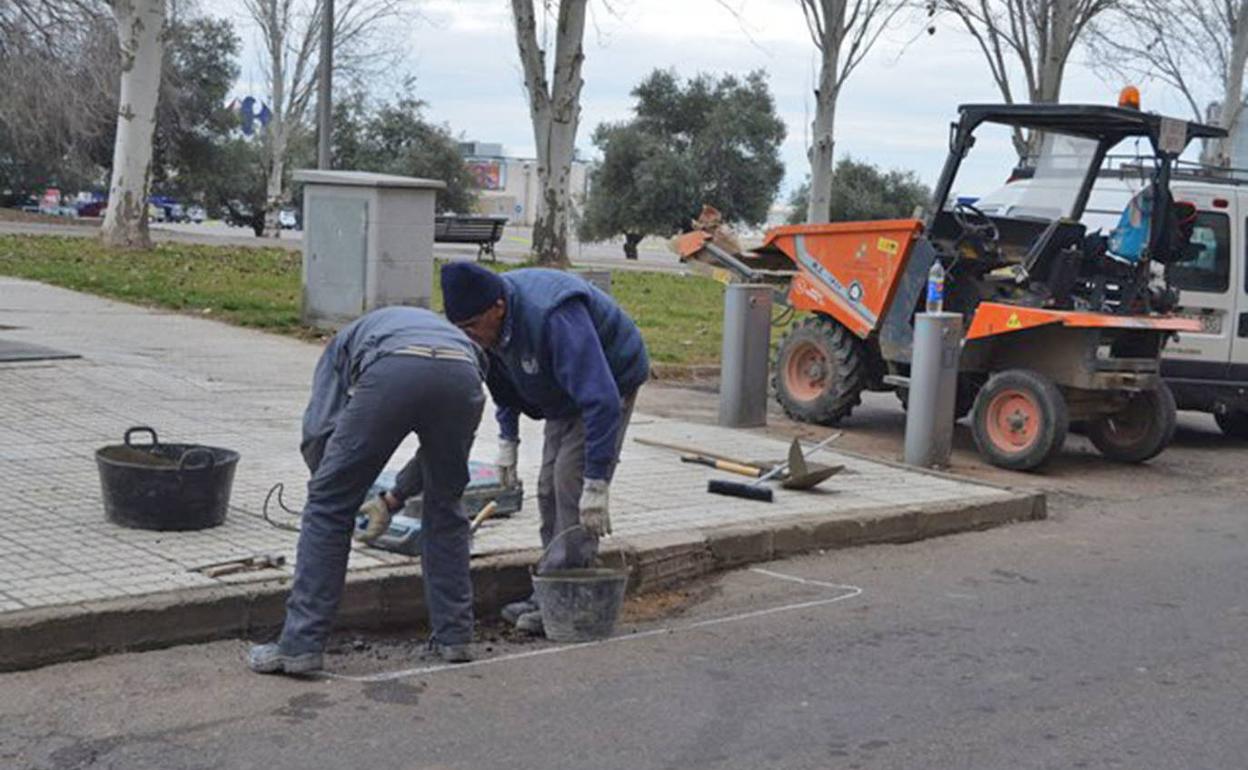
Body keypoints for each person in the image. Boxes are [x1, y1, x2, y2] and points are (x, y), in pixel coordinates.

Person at [248, 306, 486, 674]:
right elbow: (434, 459)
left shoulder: (340, 346)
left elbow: (318, 430)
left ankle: (300, 646)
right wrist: (390, 500)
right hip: (463, 373)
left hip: (393, 369)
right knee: (446, 504)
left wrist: (333, 489)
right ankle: (456, 638)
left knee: (327, 507)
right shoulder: (457, 340)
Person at [440, 263, 649, 635]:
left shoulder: (552, 316)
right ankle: (551, 587)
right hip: (563, 390)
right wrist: (508, 441)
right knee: (546, 486)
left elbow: (600, 399)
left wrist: (597, 483)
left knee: (571, 481)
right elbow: (503, 383)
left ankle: (570, 593)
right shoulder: (487, 331)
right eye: (460, 329)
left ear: (498, 307)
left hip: (609, 380)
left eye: (472, 326)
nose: (468, 337)